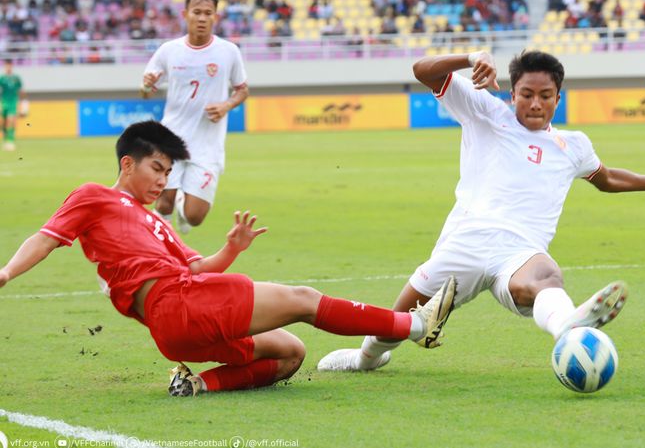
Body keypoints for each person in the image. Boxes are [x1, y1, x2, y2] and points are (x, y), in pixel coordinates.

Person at [0, 120, 455, 397]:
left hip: (177, 329)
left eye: (168, 173)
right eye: (156, 170)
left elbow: (198, 268)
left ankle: (198, 384)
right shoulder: (94, 196)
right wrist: (5, 272)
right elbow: (45, 238)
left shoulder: (156, 223)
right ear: (126, 165)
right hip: (176, 304)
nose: (163, 182)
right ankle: (415, 326)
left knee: (290, 354)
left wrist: (231, 249)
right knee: (301, 298)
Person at [317, 50, 645, 372]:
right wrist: (471, 57)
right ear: (512, 93)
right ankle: (366, 358)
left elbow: (607, 178)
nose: (536, 103)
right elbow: (422, 71)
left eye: (546, 95)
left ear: (559, 97)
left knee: (547, 275)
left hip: (520, 251)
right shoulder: (485, 111)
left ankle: (567, 326)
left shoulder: (574, 145)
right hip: (464, 244)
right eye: (527, 94)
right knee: (396, 325)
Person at [140, 0, 249, 234]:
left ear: (215, 17)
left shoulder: (228, 51)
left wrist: (226, 105)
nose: (201, 18)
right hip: (171, 139)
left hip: (208, 146)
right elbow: (146, 92)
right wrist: (146, 86)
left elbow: (242, 90)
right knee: (163, 202)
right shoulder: (169, 50)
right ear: (185, 13)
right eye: (196, 12)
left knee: (195, 216)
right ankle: (161, 257)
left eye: (207, 13)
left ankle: (182, 204)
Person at [0, 59, 28, 152]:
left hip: (13, 102)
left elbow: (21, 91)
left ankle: (10, 141)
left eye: (9, 65)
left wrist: (24, 105)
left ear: (12, 66)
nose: (8, 67)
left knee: (10, 120)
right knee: (2, 123)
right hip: (3, 102)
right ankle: (6, 138)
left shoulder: (16, 78)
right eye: (6, 66)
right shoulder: (2, 78)